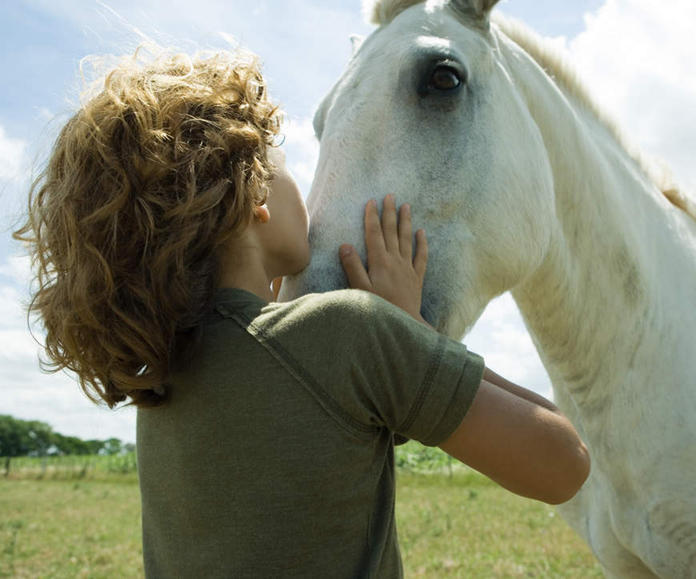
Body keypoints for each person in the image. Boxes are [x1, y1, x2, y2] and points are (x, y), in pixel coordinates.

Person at [15, 49, 589, 577]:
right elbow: (565, 463)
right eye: (286, 161)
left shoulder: (162, 378)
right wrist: (410, 331)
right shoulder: (346, 333)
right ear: (255, 196)